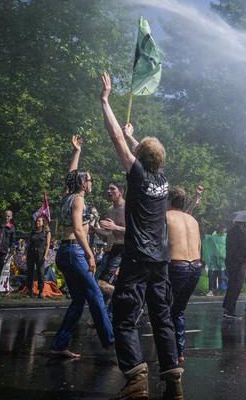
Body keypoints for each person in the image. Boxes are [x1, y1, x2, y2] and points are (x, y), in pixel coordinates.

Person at [100, 73, 183, 399]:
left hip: (137, 256)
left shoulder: (137, 175)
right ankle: (173, 380)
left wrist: (105, 101)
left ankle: (135, 379)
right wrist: (136, 139)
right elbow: (139, 151)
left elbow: (117, 140)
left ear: (141, 159)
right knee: (161, 316)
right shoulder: (161, 179)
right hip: (160, 259)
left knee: (124, 316)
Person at [49, 135, 114, 358]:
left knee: (78, 300)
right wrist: (90, 255)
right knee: (95, 294)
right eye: (90, 180)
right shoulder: (78, 200)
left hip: (64, 253)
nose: (92, 183)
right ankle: (112, 340)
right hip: (75, 250)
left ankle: (59, 345)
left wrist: (76, 152)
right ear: (83, 183)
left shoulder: (66, 196)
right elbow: (78, 229)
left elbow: (69, 177)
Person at [166, 187, 203, 363]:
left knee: (164, 310)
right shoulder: (193, 220)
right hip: (195, 266)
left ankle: (169, 353)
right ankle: (179, 352)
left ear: (169, 201)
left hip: (177, 266)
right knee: (178, 311)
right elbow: (199, 247)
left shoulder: (166, 217)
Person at [94, 182, 126, 302]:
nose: (108, 191)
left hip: (126, 249)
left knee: (103, 282)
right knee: (99, 282)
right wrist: (96, 230)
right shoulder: (110, 209)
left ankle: (124, 300)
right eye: (108, 188)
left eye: (112, 189)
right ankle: (107, 314)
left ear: (121, 192)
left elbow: (135, 232)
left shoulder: (128, 208)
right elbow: (109, 233)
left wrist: (115, 227)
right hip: (113, 249)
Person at [223, 221, 246, 319]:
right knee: (236, 286)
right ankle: (230, 309)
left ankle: (228, 307)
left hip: (232, 262)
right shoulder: (237, 233)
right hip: (236, 263)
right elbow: (239, 248)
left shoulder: (232, 232)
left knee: (232, 285)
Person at [25, 216, 51, 298]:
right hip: (31, 252)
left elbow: (47, 245)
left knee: (40, 272)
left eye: (39, 221)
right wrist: (25, 254)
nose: (37, 222)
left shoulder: (46, 232)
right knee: (30, 272)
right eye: (37, 221)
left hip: (40, 253)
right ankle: (30, 290)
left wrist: (45, 255)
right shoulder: (32, 232)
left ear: (43, 223)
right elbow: (28, 244)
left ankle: (41, 291)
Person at [203, 226, 227, 297]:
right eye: (222, 228)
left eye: (224, 228)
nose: (223, 229)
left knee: (222, 277)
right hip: (213, 261)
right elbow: (205, 239)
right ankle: (212, 290)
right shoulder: (212, 237)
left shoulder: (226, 237)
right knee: (212, 276)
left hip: (223, 261)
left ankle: (222, 291)